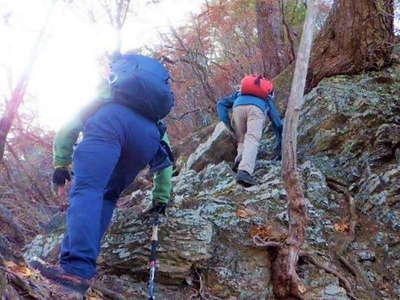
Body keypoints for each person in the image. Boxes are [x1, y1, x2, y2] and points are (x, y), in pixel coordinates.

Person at [34, 53, 174, 294]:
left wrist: (61, 164)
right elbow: (165, 158)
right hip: (147, 138)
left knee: (88, 190)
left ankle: (75, 269)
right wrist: (161, 197)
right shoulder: (152, 114)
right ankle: (81, 268)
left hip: (109, 123)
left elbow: (69, 127)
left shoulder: (108, 90)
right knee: (107, 196)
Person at [217, 76, 283, 187]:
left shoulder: (240, 93)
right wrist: (280, 140)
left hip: (237, 107)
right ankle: (244, 172)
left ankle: (240, 160)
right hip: (256, 109)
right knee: (252, 138)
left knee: (241, 139)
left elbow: (221, 103)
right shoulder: (266, 97)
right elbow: (276, 121)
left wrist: (227, 124)